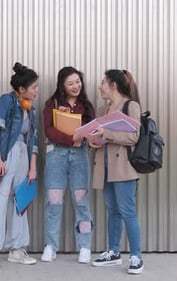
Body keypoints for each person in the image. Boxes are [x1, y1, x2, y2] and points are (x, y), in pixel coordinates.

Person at [0, 62, 39, 271]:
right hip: (6, 156)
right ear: (21, 89)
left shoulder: (31, 109)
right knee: (1, 202)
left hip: (23, 154)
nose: (36, 90)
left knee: (20, 202)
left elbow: (33, 140)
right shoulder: (7, 101)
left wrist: (33, 167)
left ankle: (17, 249)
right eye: (34, 87)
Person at [88, 69, 144, 274]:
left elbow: (134, 137)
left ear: (113, 85)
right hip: (105, 167)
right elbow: (104, 136)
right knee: (112, 211)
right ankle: (113, 252)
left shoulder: (131, 106)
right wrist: (95, 141)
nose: (100, 86)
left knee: (127, 211)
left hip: (123, 168)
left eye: (103, 82)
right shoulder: (104, 109)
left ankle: (136, 256)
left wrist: (107, 133)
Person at [41, 67, 95, 263]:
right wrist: (72, 138)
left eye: (78, 82)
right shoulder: (52, 104)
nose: (76, 86)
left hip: (80, 156)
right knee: (53, 201)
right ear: (62, 86)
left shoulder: (86, 106)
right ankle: (50, 246)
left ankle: (85, 246)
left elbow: (91, 131)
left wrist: (90, 138)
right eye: (71, 83)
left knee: (81, 201)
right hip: (56, 155)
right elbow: (49, 131)